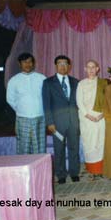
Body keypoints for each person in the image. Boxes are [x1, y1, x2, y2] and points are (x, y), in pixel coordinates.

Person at [42, 55, 80, 184]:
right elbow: (46, 104)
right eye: (60, 63)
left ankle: (74, 172)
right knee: (59, 149)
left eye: (65, 64)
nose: (63, 66)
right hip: (57, 123)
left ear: (69, 66)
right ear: (56, 66)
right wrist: (49, 122)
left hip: (74, 121)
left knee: (74, 147)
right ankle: (61, 174)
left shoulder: (75, 81)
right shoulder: (48, 82)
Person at [7, 53, 46, 154]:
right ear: (19, 64)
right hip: (23, 118)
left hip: (40, 117)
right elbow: (10, 99)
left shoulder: (41, 78)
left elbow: (46, 97)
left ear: (33, 63)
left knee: (40, 146)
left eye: (30, 62)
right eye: (24, 62)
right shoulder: (14, 80)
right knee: (24, 147)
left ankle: (40, 168)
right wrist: (22, 109)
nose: (27, 64)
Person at [76, 60, 107, 180]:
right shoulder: (81, 84)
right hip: (87, 119)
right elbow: (79, 102)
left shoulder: (103, 83)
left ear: (98, 69)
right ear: (85, 69)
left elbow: (108, 101)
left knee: (100, 142)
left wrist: (102, 115)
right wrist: (88, 116)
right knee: (89, 144)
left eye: (93, 67)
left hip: (100, 117)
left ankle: (101, 170)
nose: (91, 69)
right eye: (88, 67)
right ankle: (92, 171)